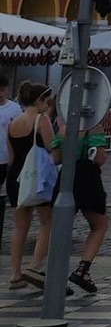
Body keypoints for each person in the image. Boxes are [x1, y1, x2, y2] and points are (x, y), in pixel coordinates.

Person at [6, 83, 57, 290]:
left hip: (16, 176)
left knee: (19, 226)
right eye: (47, 100)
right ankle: (34, 266)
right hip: (36, 177)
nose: (49, 105)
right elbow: (52, 147)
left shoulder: (13, 122)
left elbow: (11, 155)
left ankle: (15, 274)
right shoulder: (41, 119)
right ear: (39, 100)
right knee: (47, 222)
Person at [64, 120, 111, 294]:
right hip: (87, 178)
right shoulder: (94, 126)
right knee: (100, 224)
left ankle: (51, 272)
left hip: (64, 175)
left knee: (57, 225)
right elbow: (99, 158)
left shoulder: (63, 124)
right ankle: (83, 270)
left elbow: (55, 156)